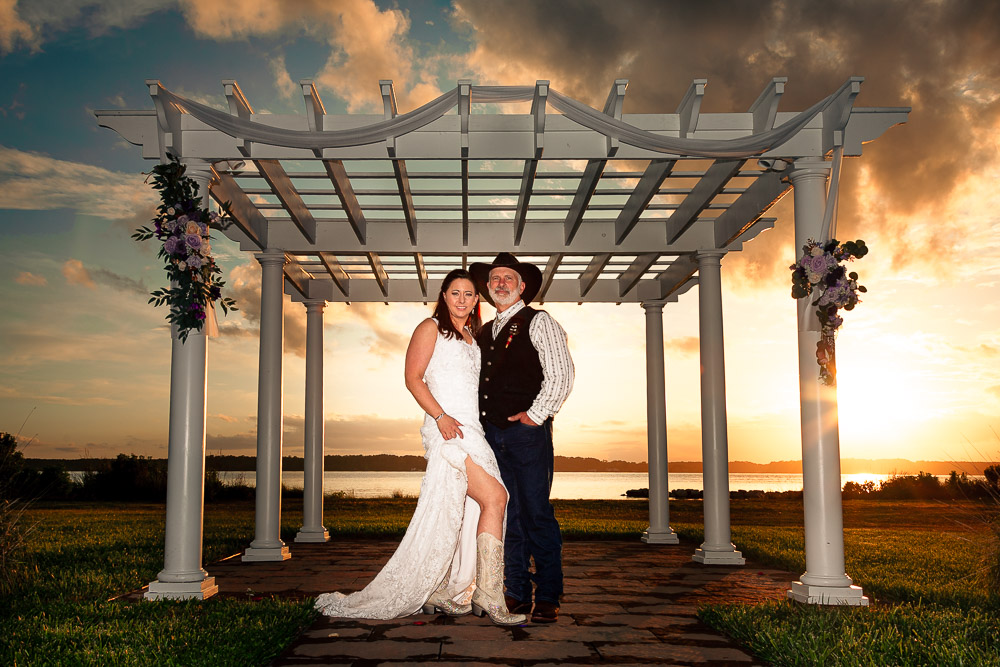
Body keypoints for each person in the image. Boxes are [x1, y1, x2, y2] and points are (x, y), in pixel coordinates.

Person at [314, 269, 526, 625]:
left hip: (474, 431)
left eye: (469, 294)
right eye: (455, 293)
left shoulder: (474, 338)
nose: (462, 300)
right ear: (444, 296)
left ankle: (446, 590)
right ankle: (489, 595)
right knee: (496, 498)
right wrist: (441, 417)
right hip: (448, 430)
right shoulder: (430, 328)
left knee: (465, 511)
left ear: (477, 300)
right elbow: (412, 379)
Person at [469, 253, 575, 624]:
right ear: (487, 286)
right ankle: (515, 592)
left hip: (526, 435)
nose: (500, 283)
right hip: (491, 435)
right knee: (507, 514)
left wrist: (535, 415)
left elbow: (561, 374)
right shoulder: (484, 331)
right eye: (494, 278)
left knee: (535, 512)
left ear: (522, 286)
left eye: (508, 278)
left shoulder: (539, 321)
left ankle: (547, 593)